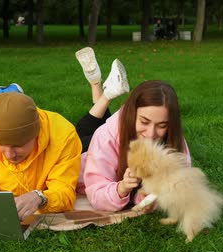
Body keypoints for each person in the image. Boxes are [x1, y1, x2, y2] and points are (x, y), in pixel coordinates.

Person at [74, 47, 191, 212]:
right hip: (85, 150)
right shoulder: (106, 137)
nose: (151, 134)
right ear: (132, 114)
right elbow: (97, 193)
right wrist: (121, 188)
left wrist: (149, 196)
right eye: (144, 121)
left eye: (162, 125)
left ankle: (98, 86)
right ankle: (102, 90)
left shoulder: (173, 140)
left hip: (110, 137)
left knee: (94, 126)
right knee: (82, 134)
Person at [0, 84, 82, 221]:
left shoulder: (63, 135)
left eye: (18, 146)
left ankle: (12, 97)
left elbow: (64, 190)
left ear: (36, 134)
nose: (9, 154)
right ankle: (11, 97)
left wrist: (40, 198)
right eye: (1, 145)